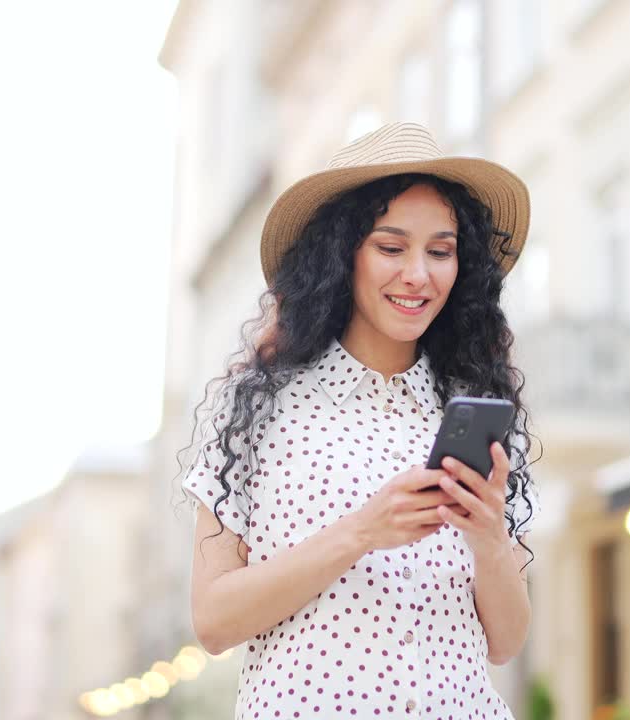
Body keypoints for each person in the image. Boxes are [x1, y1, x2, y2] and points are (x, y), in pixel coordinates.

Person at [181, 122, 540, 719]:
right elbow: (214, 620)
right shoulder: (259, 408)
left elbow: (506, 642)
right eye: (391, 247)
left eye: (441, 251)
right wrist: (362, 532)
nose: (418, 275)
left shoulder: (475, 412)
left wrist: (487, 539)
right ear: (341, 256)